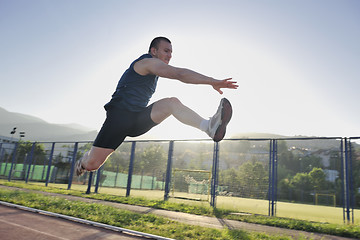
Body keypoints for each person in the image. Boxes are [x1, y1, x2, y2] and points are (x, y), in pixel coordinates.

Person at [75, 36, 238, 176]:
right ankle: (83, 160)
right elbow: (179, 74)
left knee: (171, 103)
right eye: (166, 51)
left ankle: (208, 127)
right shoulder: (146, 62)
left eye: (171, 52)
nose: (170, 55)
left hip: (138, 118)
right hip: (119, 117)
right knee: (92, 165)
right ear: (154, 51)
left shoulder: (154, 70)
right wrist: (212, 81)